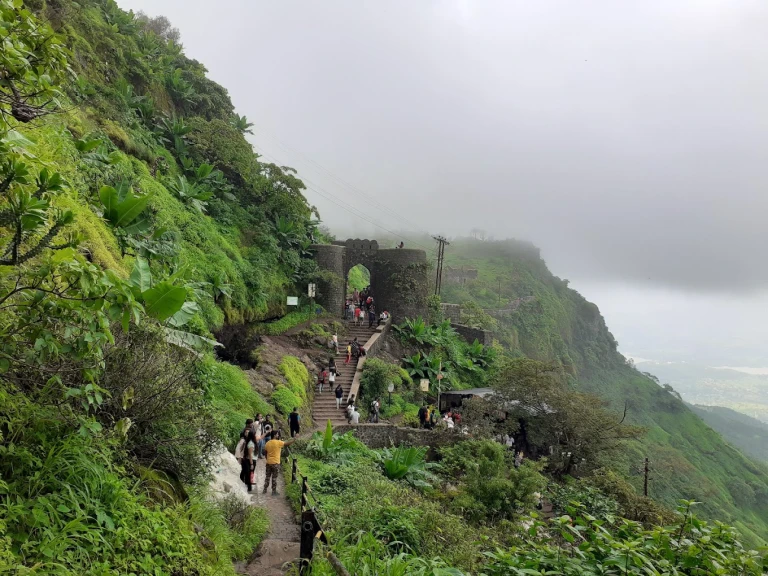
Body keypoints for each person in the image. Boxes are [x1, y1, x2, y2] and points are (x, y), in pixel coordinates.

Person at [263, 430, 297, 495]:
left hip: (269, 462)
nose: (278, 435)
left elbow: (265, 452)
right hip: (276, 463)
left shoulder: (267, 443)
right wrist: (294, 439)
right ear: (275, 435)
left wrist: (267, 459)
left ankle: (264, 489)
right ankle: (273, 491)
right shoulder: (278, 442)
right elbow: (287, 443)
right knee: (274, 478)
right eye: (277, 434)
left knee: (267, 477)